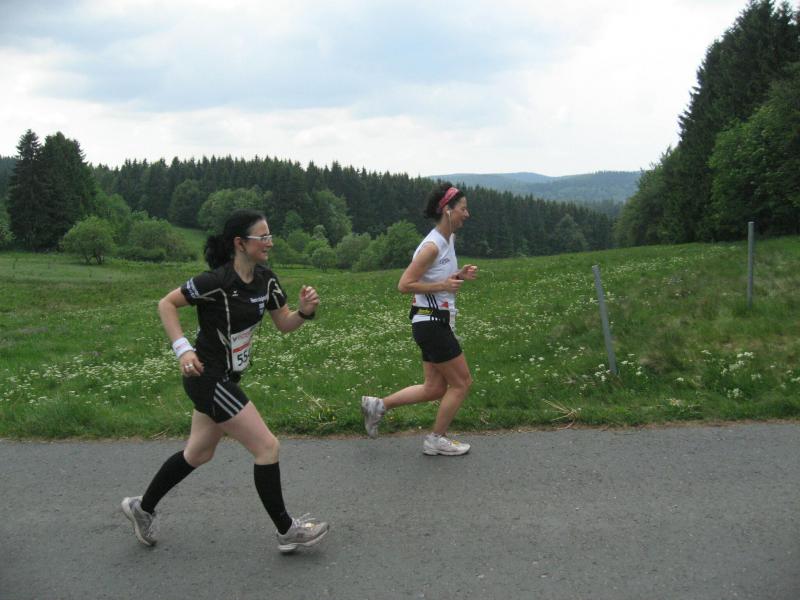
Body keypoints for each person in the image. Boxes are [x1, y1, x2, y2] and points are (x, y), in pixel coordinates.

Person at [121, 209, 329, 554]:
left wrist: (305, 312)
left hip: (227, 378)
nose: (269, 242)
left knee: (198, 453)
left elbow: (284, 323)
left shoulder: (266, 280)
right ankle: (287, 530)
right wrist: (183, 350)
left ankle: (142, 509)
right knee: (267, 447)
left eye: (270, 235)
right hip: (207, 378)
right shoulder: (216, 281)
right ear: (240, 243)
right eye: (262, 237)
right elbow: (166, 304)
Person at [361, 182, 477, 455]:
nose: (467, 214)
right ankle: (436, 439)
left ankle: (378, 406)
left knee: (434, 388)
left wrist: (457, 276)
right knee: (461, 383)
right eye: (463, 208)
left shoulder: (448, 239)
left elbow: (438, 278)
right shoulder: (432, 246)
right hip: (431, 322)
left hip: (431, 321)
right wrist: (444, 285)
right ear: (447, 210)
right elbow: (404, 284)